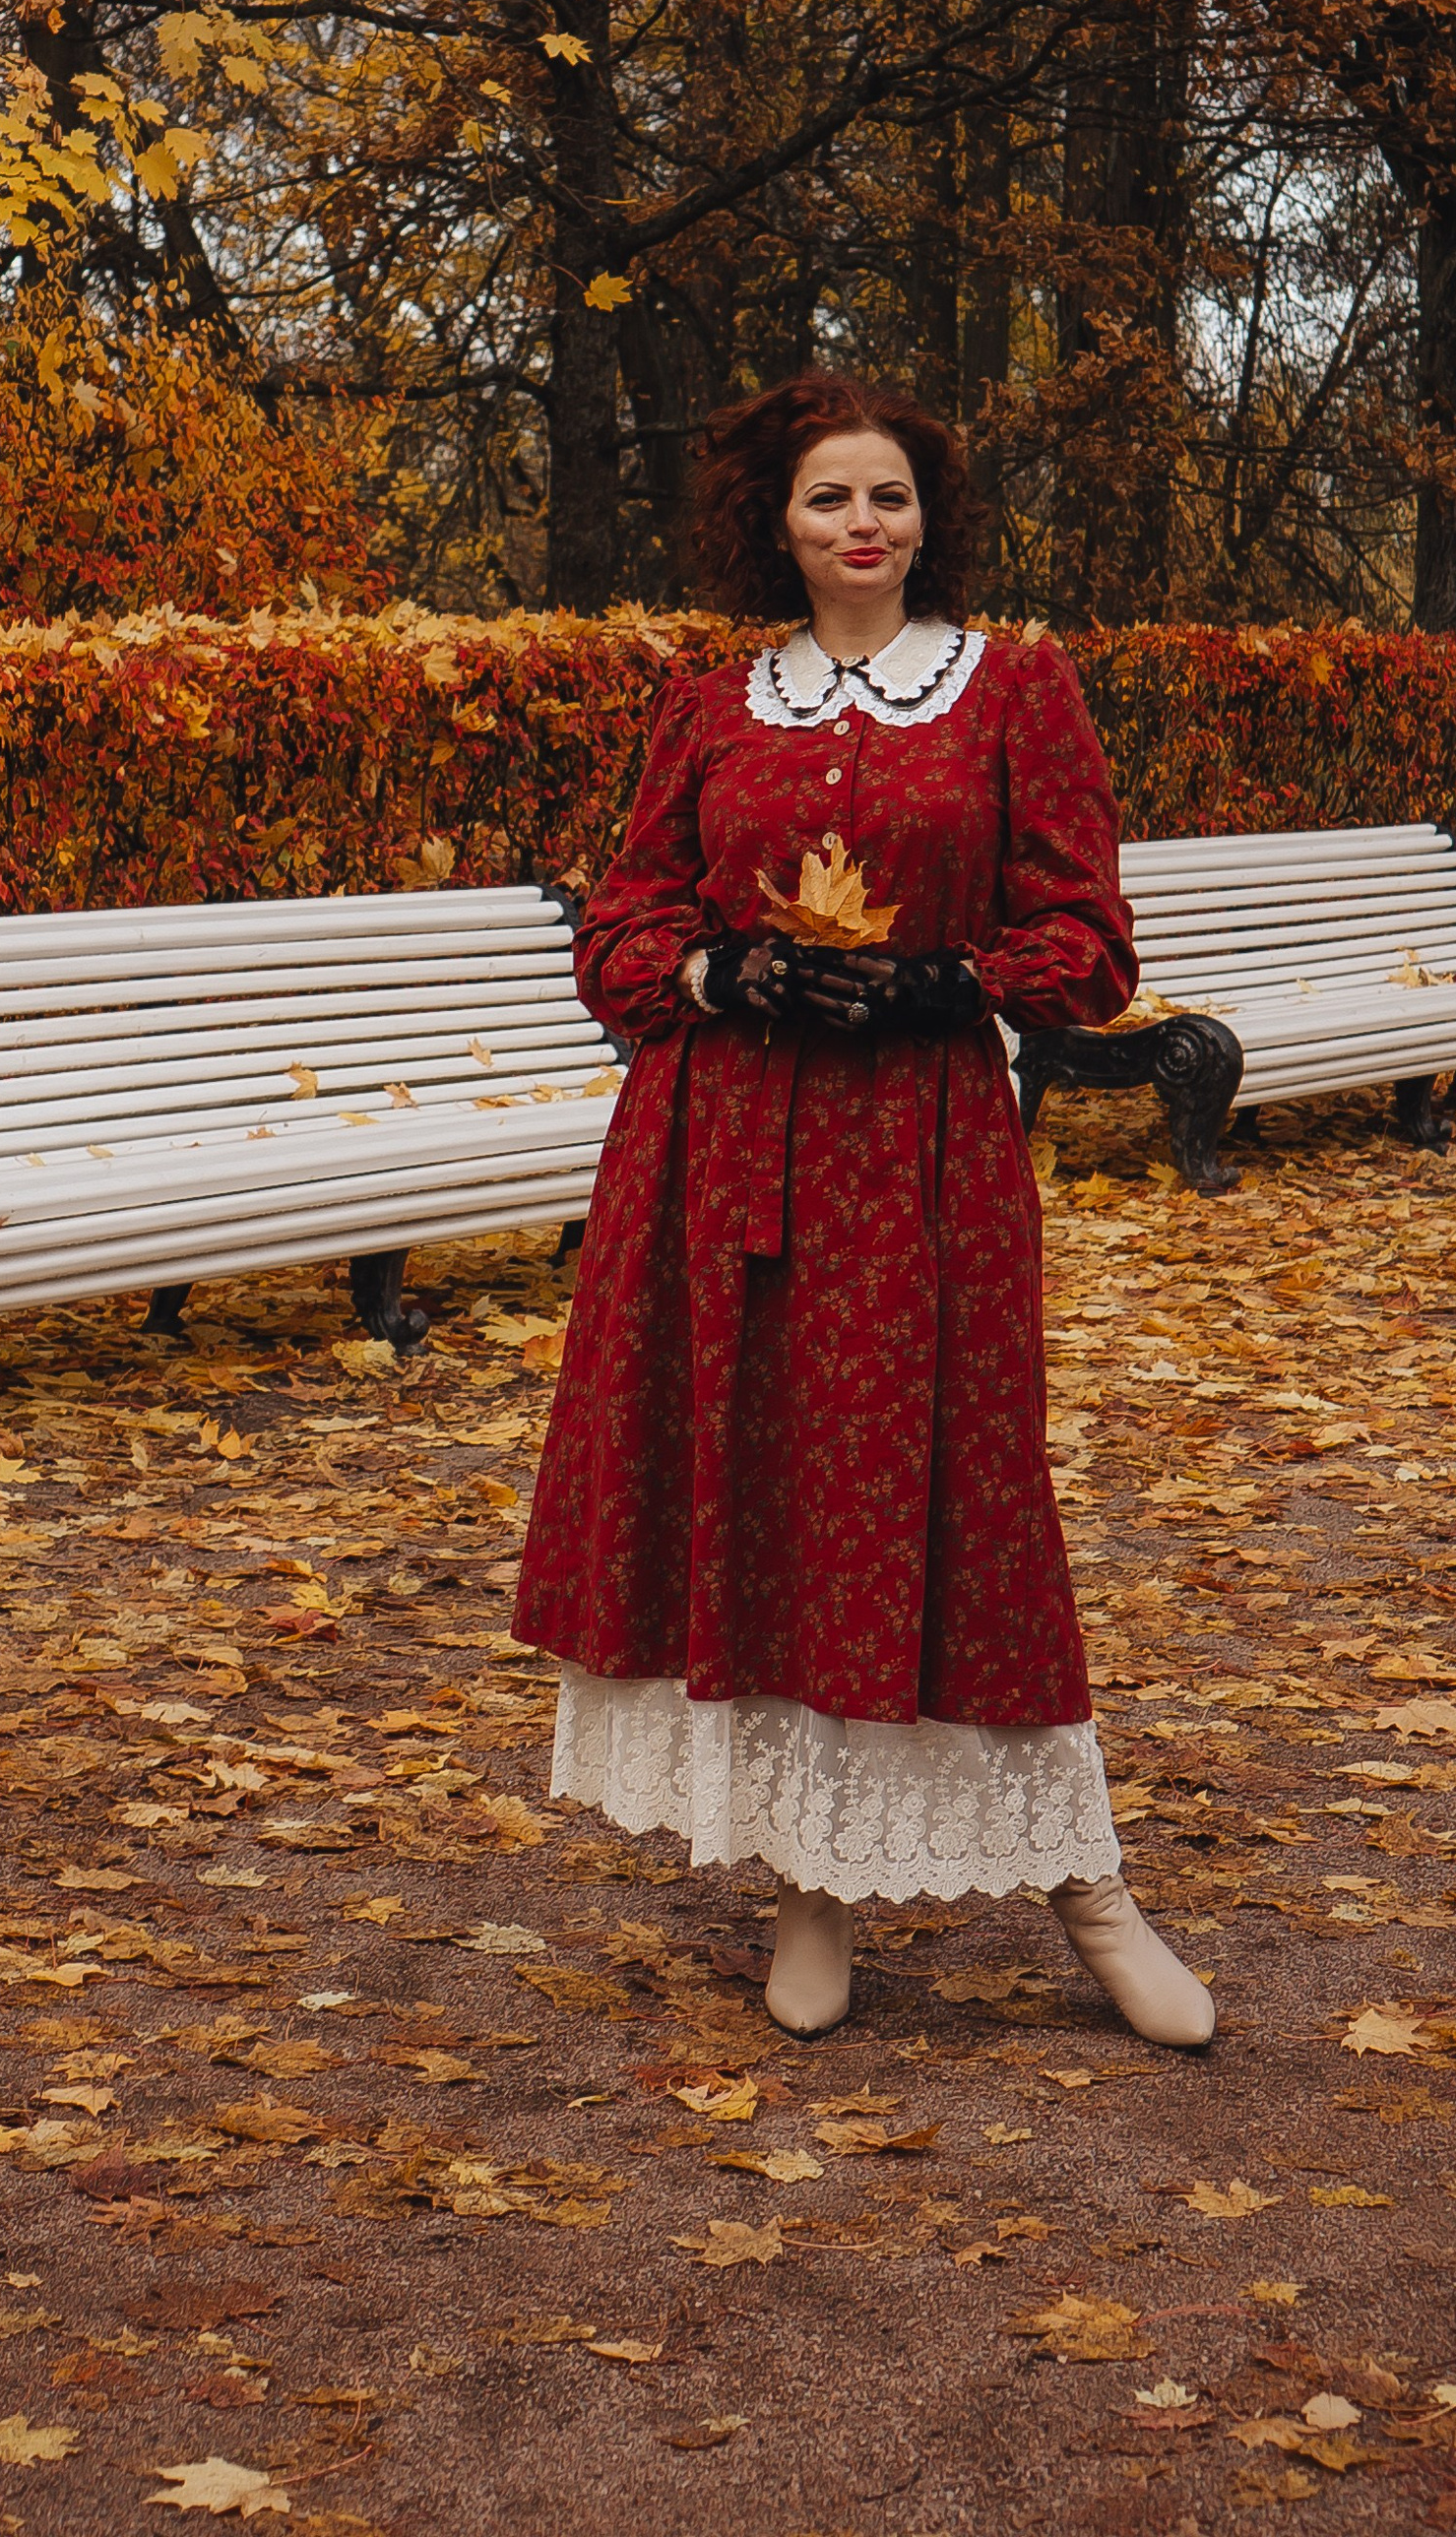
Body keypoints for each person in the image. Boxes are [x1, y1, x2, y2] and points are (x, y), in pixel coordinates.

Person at [512, 374, 1213, 2047]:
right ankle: (811, 1889)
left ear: (926, 520)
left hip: (922, 1155)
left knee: (964, 1503)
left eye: (888, 497)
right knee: (772, 1499)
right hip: (724, 1149)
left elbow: (1092, 940)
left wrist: (939, 985)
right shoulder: (707, 706)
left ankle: (1093, 1893)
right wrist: (714, 964)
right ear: (781, 522)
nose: (861, 526)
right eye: (830, 498)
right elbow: (620, 930)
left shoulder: (1013, 693)